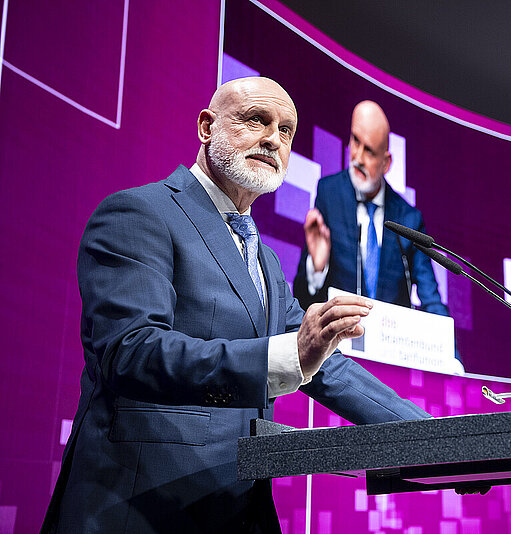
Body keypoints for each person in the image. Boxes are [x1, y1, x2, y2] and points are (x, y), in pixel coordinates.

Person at [41, 77, 428, 534]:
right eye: (256, 120)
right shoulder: (139, 213)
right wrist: (287, 355)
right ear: (206, 127)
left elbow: (326, 366)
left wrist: (436, 438)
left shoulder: (264, 259)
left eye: (286, 130)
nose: (273, 139)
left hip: (237, 509)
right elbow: (131, 351)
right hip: (140, 507)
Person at [293, 101, 449, 318]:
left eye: (369, 151)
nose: (358, 157)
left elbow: (431, 298)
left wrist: (447, 338)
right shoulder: (329, 194)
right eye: (355, 141)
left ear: (386, 163)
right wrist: (317, 269)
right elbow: (301, 298)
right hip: (338, 334)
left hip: (390, 336)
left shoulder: (409, 218)